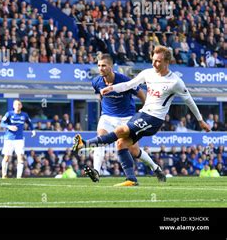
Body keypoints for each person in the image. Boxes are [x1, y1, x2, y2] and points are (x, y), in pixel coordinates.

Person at [72, 46, 210, 186]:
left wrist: (200, 120)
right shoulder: (148, 73)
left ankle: (86, 144)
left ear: (167, 62)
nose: (154, 64)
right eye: (153, 60)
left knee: (121, 131)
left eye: (158, 61)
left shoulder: (175, 82)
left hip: (154, 119)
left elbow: (189, 101)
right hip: (143, 114)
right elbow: (128, 85)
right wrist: (112, 88)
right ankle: (132, 179)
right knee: (122, 144)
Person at [85, 54, 164, 183]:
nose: (101, 68)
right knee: (100, 140)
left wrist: (147, 111)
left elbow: (140, 93)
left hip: (126, 118)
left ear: (111, 66)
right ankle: (96, 172)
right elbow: (101, 96)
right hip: (107, 116)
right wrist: (105, 110)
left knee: (134, 150)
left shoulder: (124, 80)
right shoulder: (96, 82)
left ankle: (155, 168)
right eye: (99, 65)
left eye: (104, 65)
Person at [0, 99, 35, 179]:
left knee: (20, 156)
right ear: (13, 106)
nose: (17, 106)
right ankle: (4, 175)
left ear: (21, 106)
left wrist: (33, 130)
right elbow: (2, 123)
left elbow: (30, 123)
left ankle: (19, 176)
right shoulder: (9, 114)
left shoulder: (24, 115)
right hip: (9, 139)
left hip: (19, 139)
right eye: (16, 104)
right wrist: (9, 126)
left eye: (19, 104)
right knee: (7, 157)